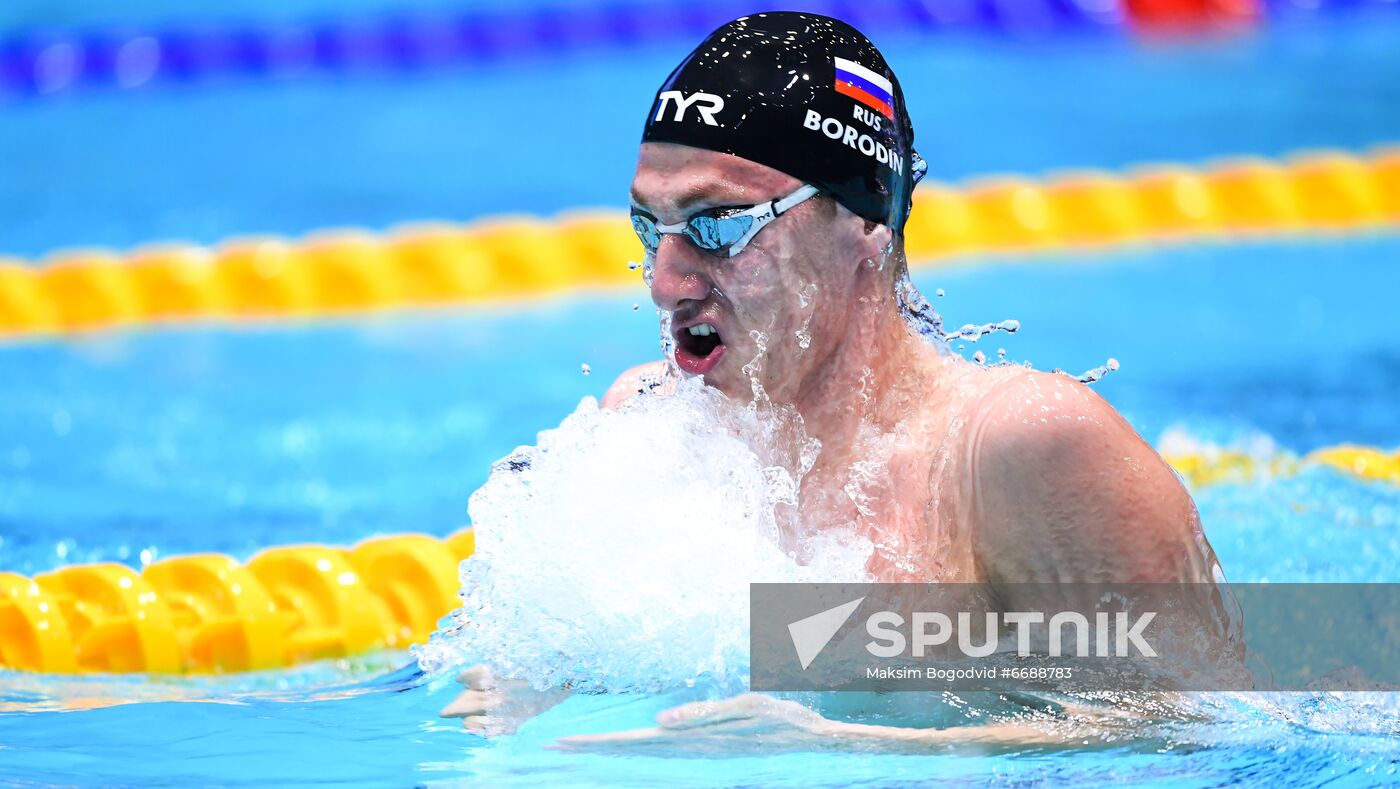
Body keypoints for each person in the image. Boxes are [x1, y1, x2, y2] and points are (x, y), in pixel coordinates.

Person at [444, 11, 1225, 749]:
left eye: (719, 224)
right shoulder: (649, 429)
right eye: (652, 228)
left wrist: (846, 747)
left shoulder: (1018, 450)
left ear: (864, 222)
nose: (666, 281)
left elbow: (1191, 729)